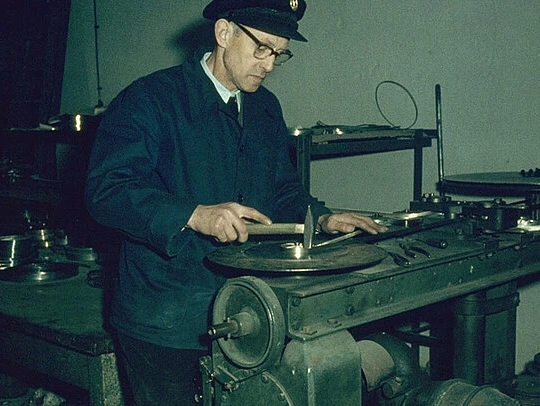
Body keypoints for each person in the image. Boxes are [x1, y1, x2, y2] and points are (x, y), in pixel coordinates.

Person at [84, 0, 387, 404]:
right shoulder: (151, 100)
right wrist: (193, 215)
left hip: (246, 313)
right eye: (262, 47)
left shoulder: (264, 108)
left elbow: (283, 192)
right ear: (224, 33)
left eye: (280, 54)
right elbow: (107, 191)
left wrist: (323, 218)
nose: (269, 64)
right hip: (164, 322)